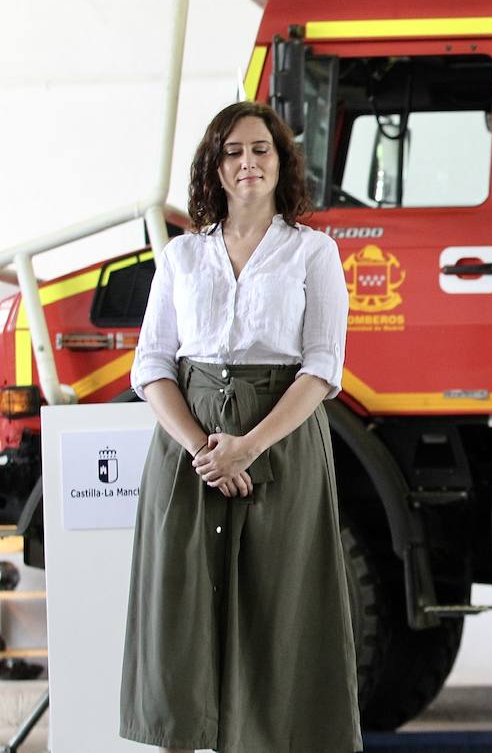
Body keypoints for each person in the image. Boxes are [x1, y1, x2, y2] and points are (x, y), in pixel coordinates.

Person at [120, 101, 361, 753]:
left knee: (276, 611)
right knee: (183, 611)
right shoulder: (180, 257)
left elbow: (321, 368)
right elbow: (152, 365)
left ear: (281, 163)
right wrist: (205, 450)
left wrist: (247, 447)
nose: (248, 162)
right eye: (233, 152)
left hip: (278, 446)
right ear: (215, 166)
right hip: (189, 450)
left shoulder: (313, 253)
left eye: (261, 149)